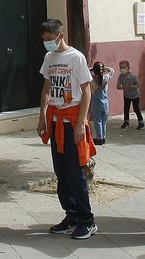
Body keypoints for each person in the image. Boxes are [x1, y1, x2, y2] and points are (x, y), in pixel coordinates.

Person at [38, 18, 96, 241]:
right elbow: (46, 88)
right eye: (44, 39)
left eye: (50, 39)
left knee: (75, 173)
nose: (47, 43)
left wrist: (81, 122)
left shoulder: (76, 57)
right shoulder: (49, 58)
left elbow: (86, 91)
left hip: (72, 121)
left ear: (60, 36)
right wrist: (42, 116)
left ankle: (87, 220)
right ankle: (71, 214)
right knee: (61, 172)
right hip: (55, 121)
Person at [89, 61, 113, 145]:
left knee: (97, 121)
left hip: (96, 101)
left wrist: (91, 69)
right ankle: (103, 137)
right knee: (103, 122)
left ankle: (99, 138)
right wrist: (104, 67)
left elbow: (86, 71)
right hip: (105, 101)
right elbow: (112, 71)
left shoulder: (92, 78)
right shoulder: (106, 77)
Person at [117, 60, 144, 129]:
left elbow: (138, 84)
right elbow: (118, 87)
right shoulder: (120, 77)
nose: (122, 69)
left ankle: (141, 122)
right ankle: (126, 122)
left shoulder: (133, 76)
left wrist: (131, 86)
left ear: (128, 68)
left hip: (135, 96)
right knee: (126, 109)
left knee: (136, 109)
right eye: (120, 68)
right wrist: (123, 87)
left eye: (124, 67)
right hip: (126, 96)